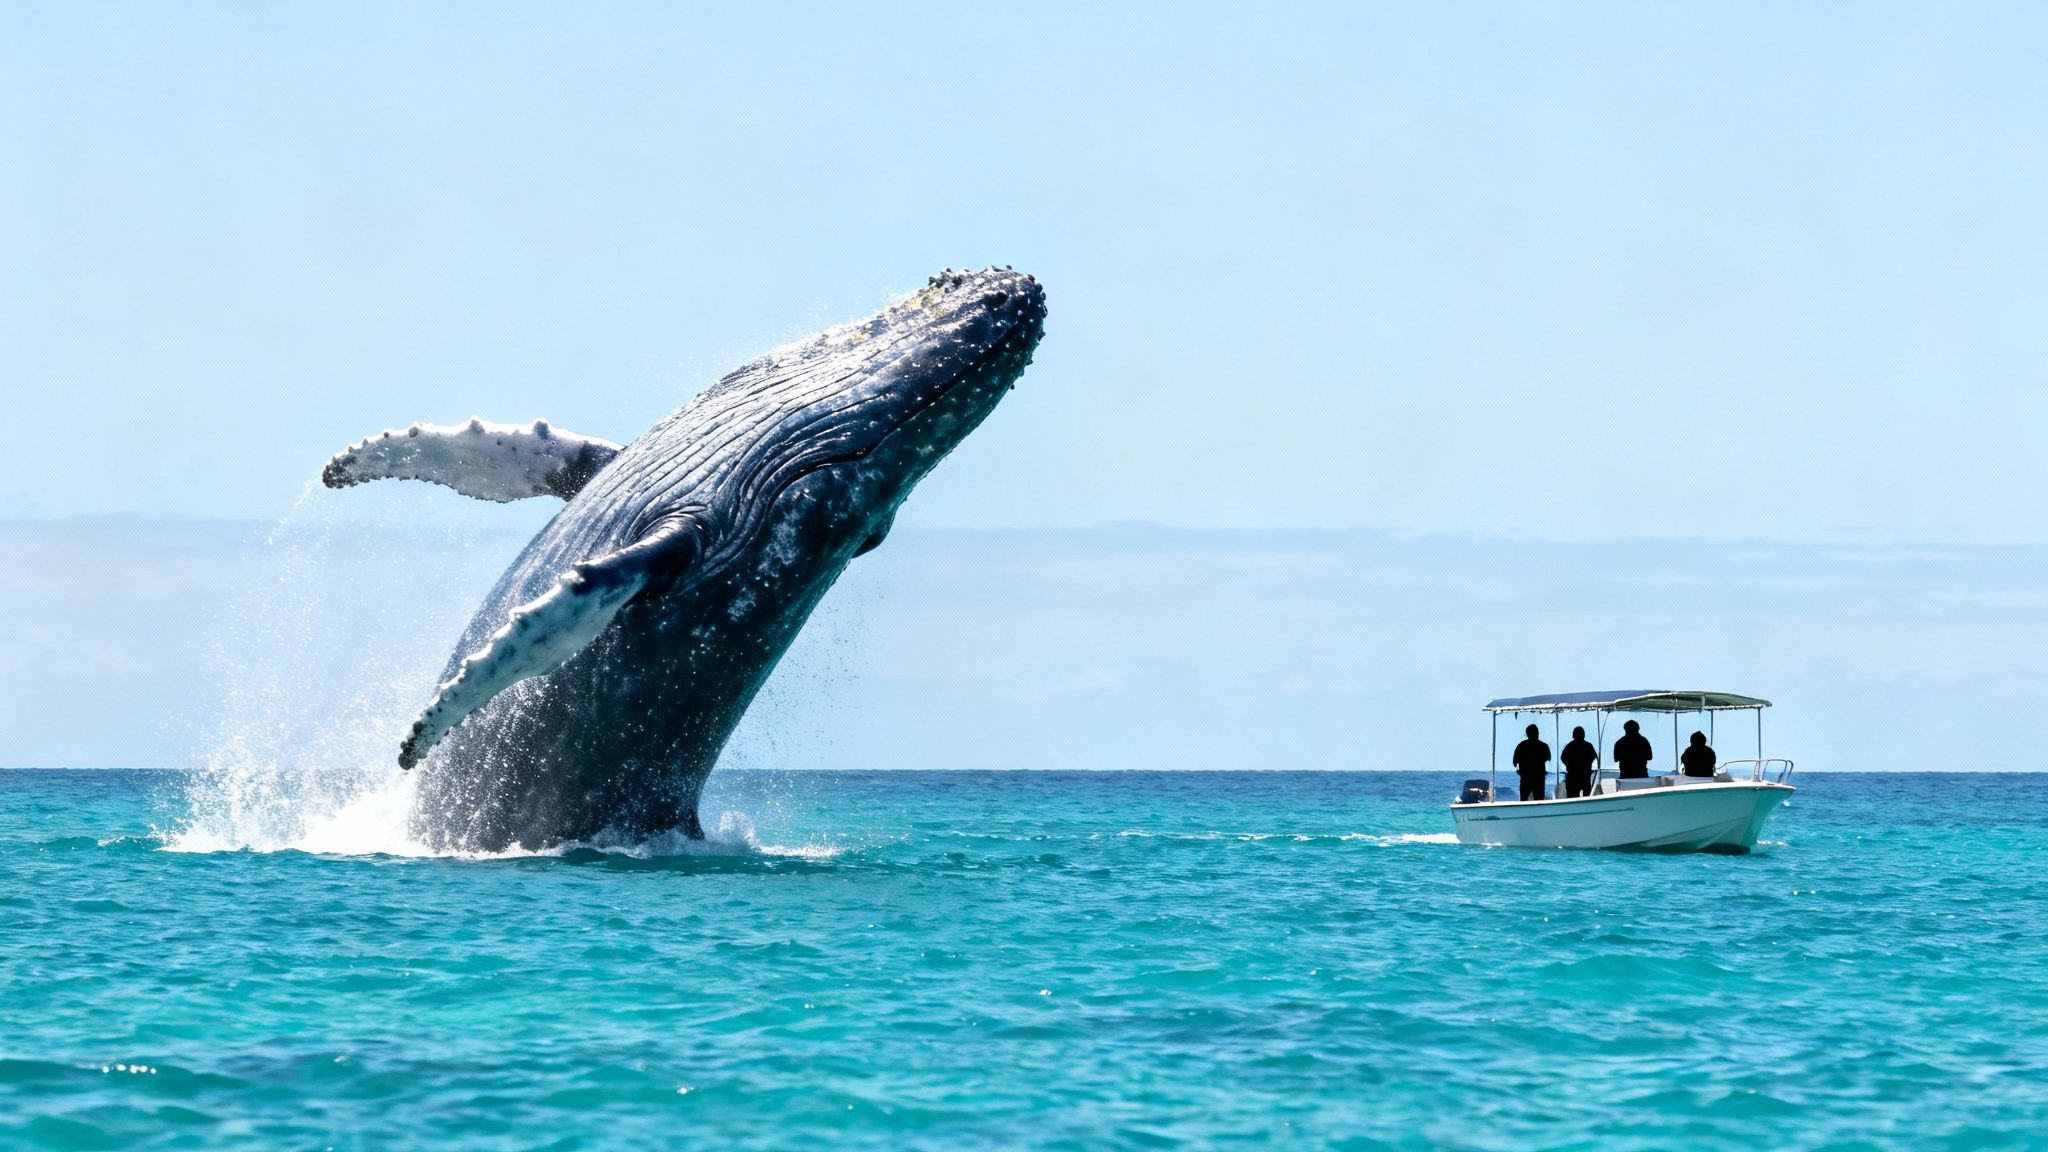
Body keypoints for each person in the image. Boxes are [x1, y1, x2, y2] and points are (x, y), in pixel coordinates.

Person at [1511, 723, 1551, 802]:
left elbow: (1514, 762)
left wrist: (1520, 769)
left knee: (1523, 800)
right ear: (1537, 733)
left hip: (1525, 777)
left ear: (1527, 734)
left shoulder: (1521, 746)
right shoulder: (1543, 746)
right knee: (1539, 801)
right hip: (1539, 777)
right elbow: (1549, 758)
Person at [1559, 725, 1599, 798]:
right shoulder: (1588, 746)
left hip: (1573, 776)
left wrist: (1568, 765)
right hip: (1585, 776)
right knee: (1587, 800)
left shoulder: (1569, 746)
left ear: (1573, 735)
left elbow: (1562, 758)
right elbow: (1594, 757)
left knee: (1572, 801)